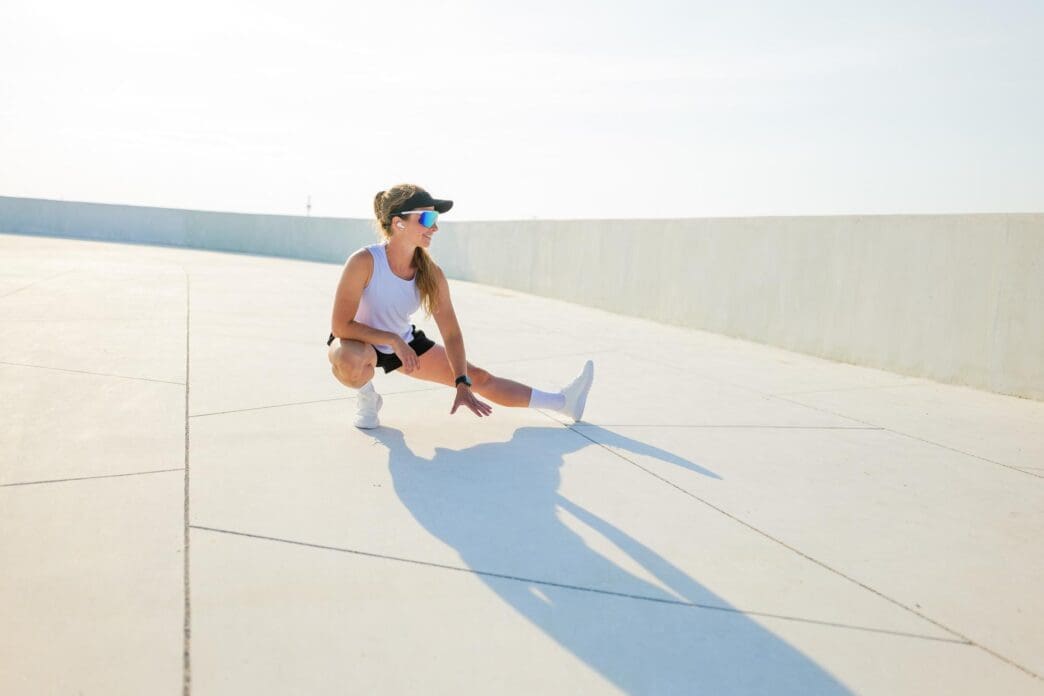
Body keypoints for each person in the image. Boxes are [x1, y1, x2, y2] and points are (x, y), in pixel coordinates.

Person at [327, 183, 594, 429]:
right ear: (398, 223)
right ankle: (367, 397)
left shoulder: (431, 274)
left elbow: (451, 334)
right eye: (427, 219)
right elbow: (341, 325)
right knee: (348, 360)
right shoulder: (364, 261)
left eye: (436, 219)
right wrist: (392, 340)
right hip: (359, 340)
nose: (435, 227)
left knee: (480, 378)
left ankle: (562, 402)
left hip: (405, 345)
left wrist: (462, 382)